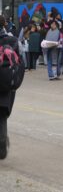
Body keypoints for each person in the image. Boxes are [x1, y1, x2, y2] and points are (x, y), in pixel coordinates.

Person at [0, 16, 20, 159]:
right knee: (2, 116)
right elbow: (21, 63)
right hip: (6, 85)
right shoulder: (12, 41)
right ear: (5, 24)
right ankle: (2, 147)